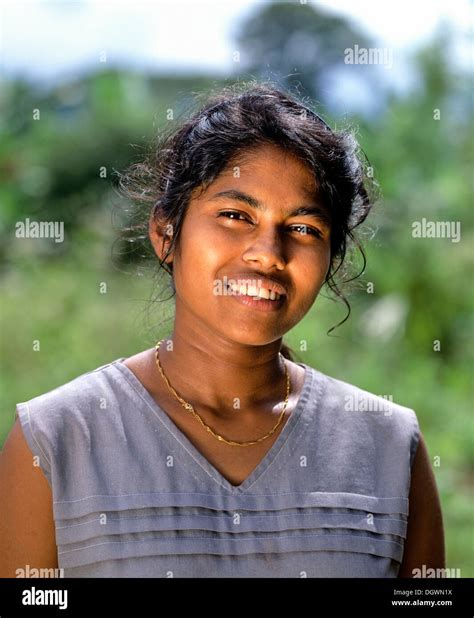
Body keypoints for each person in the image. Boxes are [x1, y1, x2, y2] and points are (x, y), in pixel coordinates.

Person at [0, 82, 444, 578]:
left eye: (303, 228)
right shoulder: (56, 439)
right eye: (235, 215)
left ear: (330, 257)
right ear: (166, 233)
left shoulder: (387, 443)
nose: (268, 253)